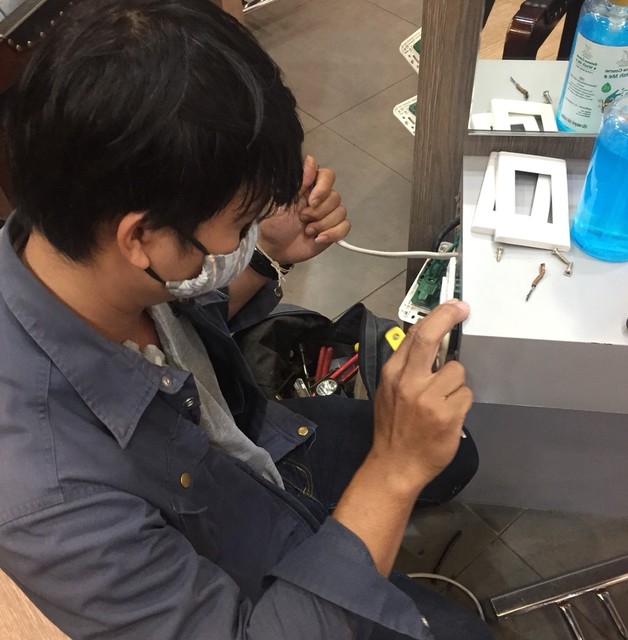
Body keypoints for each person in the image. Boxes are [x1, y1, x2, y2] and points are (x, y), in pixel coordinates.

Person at [0, 0, 491, 638]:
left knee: (456, 452)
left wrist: (265, 256)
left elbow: (174, 331)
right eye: (238, 224)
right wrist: (392, 475)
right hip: (247, 567)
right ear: (141, 239)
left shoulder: (71, 235)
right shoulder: (57, 500)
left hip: (255, 455)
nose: (241, 239)